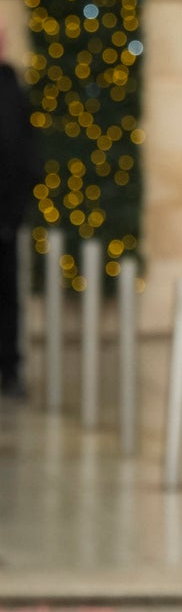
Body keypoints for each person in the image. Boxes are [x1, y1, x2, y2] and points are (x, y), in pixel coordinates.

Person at [0, 26, 39, 398]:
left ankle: (9, 369)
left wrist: (15, 211)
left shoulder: (12, 87)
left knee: (9, 297)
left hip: (7, 218)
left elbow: (26, 153)